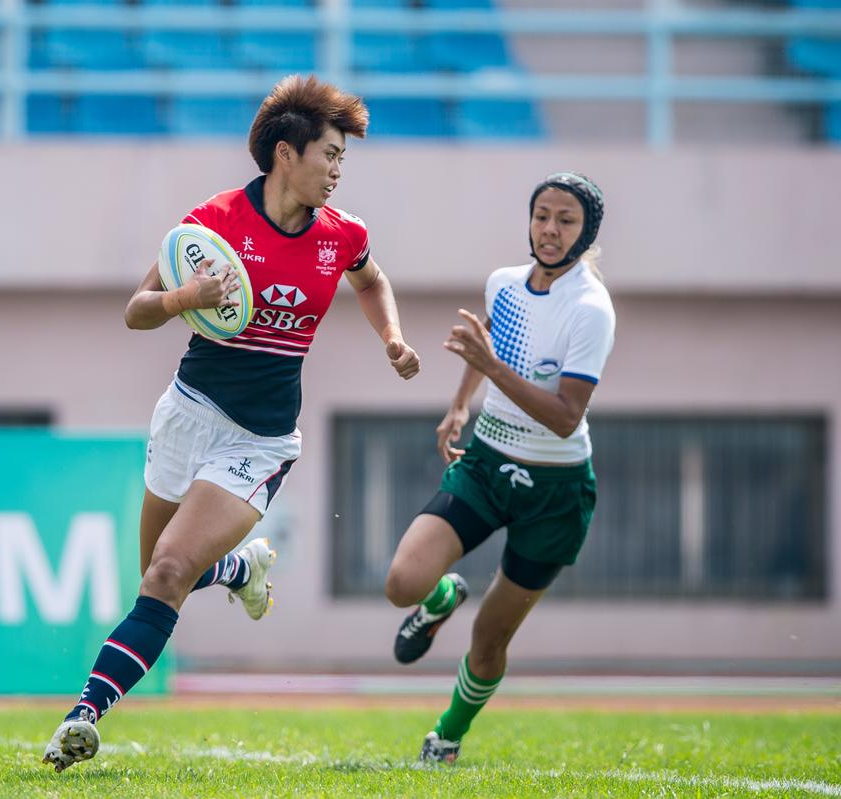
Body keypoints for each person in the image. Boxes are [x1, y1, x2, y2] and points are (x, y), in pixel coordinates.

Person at [43, 74, 421, 772]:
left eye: (344, 157)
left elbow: (370, 279)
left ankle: (82, 717)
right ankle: (240, 567)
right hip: (186, 415)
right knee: (159, 578)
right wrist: (189, 295)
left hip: (260, 440)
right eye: (329, 154)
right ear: (286, 152)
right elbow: (136, 310)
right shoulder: (213, 221)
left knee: (166, 570)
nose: (338, 170)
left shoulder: (343, 236)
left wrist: (391, 337)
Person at [383, 172, 614, 765]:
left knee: (489, 639)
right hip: (487, 462)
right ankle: (438, 600)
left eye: (566, 220)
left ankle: (447, 736)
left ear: (587, 231)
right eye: (542, 215)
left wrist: (489, 365)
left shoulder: (590, 309)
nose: (551, 229)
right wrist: (461, 403)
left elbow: (565, 416)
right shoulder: (504, 284)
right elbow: (494, 348)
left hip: (555, 492)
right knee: (401, 582)